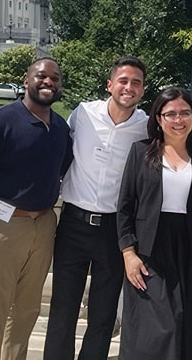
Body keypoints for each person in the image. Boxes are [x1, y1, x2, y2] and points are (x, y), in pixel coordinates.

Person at [0, 58, 70, 360]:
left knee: (27, 310)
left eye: (55, 78)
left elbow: (61, 170)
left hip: (44, 224)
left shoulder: (60, 127)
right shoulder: (0, 121)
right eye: (41, 76)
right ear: (26, 81)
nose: (48, 82)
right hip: (4, 224)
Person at [45, 56, 148, 360]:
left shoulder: (145, 126)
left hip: (114, 230)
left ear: (142, 90)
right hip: (74, 224)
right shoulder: (83, 114)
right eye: (123, 81)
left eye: (136, 83)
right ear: (110, 85)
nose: (129, 87)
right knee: (63, 308)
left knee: (103, 315)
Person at [116, 87, 192, 360]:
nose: (178, 119)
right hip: (149, 253)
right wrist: (128, 254)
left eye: (185, 113)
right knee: (154, 331)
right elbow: (125, 206)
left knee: (187, 328)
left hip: (191, 253)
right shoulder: (141, 153)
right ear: (159, 119)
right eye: (171, 114)